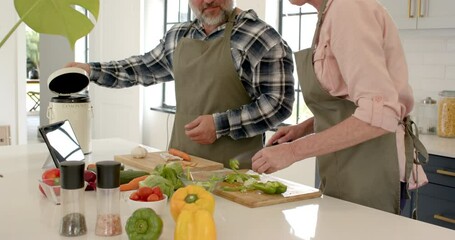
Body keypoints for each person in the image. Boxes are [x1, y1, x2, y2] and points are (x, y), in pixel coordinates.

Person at [66, 0, 295, 168]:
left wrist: (219, 125)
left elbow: (278, 104)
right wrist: (91, 70)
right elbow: (143, 68)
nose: (208, 1)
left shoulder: (260, 37)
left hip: (236, 174)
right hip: (179, 166)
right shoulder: (179, 35)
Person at [252, 0, 428, 214]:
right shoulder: (328, 13)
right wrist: (304, 128)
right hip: (347, 167)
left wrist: (292, 151)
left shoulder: (348, 8)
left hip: (371, 167)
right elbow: (351, 102)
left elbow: (380, 115)